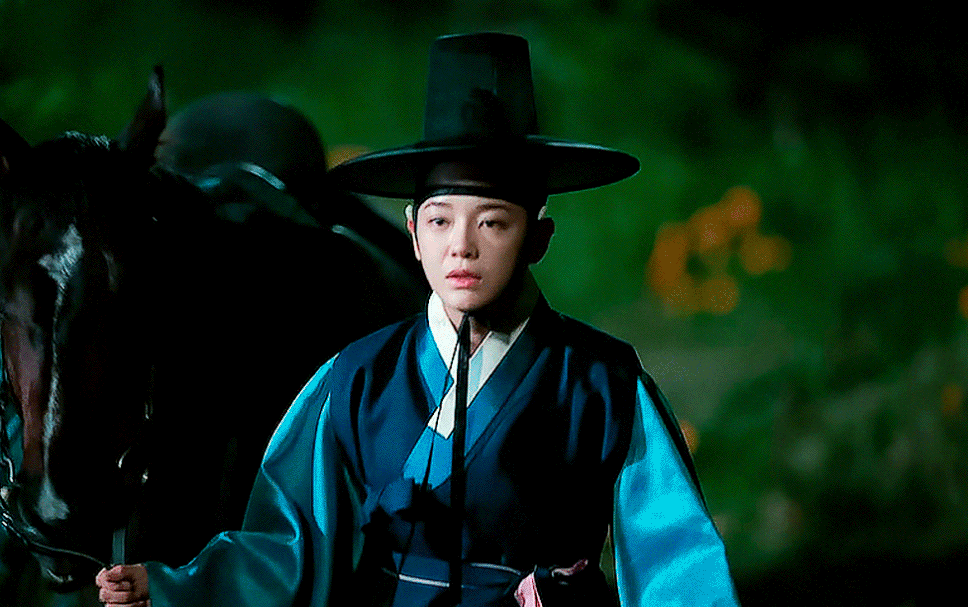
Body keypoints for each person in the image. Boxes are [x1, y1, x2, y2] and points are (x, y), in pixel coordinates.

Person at [96, 32, 738, 606]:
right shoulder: (355, 378)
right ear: (412, 234)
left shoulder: (603, 383)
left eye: (493, 223)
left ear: (538, 238)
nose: (461, 247)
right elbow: (288, 546)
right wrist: (175, 586)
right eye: (439, 220)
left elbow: (676, 562)